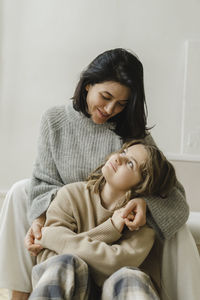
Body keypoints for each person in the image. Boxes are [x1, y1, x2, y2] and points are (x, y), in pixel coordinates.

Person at [0, 48, 189, 300]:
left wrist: (144, 203)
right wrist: (40, 220)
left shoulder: (134, 134)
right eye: (106, 97)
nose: (111, 109)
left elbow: (176, 199)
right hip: (68, 216)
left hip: (112, 233)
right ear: (88, 85)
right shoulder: (54, 121)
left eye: (122, 103)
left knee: (172, 237)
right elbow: (43, 181)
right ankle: (18, 293)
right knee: (19, 191)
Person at [28, 140, 177, 300]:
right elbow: (47, 257)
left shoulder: (140, 223)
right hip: (70, 291)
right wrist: (110, 229)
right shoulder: (70, 195)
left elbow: (115, 262)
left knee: (129, 276)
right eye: (124, 152)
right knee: (63, 263)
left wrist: (55, 237)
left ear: (142, 185)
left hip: (114, 293)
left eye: (130, 164)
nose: (119, 158)